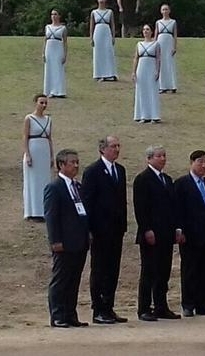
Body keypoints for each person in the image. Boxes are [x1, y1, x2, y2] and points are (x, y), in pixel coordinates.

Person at [80, 135, 128, 324]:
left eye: (118, 145)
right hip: (100, 230)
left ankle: (109, 306)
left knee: (113, 269)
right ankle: (98, 309)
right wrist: (89, 229)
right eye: (113, 146)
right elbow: (87, 201)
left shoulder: (120, 170)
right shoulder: (93, 171)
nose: (117, 149)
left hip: (116, 229)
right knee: (99, 269)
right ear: (103, 149)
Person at [132, 146, 181, 322]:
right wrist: (146, 229)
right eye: (158, 156)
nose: (162, 159)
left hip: (166, 233)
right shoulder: (142, 179)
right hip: (151, 233)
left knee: (163, 271)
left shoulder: (167, 179)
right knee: (149, 271)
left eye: (164, 155)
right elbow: (140, 207)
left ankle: (161, 306)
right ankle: (144, 308)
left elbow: (173, 206)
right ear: (149, 158)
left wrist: (177, 228)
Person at [44, 149, 89, 328]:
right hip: (64, 242)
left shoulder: (78, 187)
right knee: (61, 279)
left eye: (77, 162)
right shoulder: (54, 187)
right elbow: (51, 216)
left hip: (79, 241)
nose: (76, 166)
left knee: (74, 280)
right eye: (72, 162)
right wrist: (55, 240)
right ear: (61, 165)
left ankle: (70, 314)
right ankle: (57, 315)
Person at [174, 150, 205, 317]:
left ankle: (203, 305)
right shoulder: (182, 183)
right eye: (200, 161)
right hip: (190, 234)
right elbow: (178, 209)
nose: (204, 165)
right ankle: (188, 304)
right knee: (190, 270)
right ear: (192, 162)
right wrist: (179, 230)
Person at [23, 94, 54, 221]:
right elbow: (25, 137)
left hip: (44, 151)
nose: (44, 105)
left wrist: (51, 156)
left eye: (45, 103)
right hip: (33, 150)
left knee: (44, 181)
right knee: (33, 181)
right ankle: (33, 211)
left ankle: (43, 210)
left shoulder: (48, 120)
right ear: (35, 103)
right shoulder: (29, 118)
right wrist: (27, 154)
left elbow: (50, 138)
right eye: (41, 102)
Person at [131, 24, 161, 123]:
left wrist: (157, 70)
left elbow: (158, 58)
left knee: (152, 91)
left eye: (147, 29)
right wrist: (134, 72)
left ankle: (154, 116)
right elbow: (136, 58)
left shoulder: (156, 44)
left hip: (151, 69)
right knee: (141, 91)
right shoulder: (139, 44)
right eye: (144, 29)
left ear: (151, 32)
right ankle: (143, 115)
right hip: (141, 70)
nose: (145, 31)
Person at [89, 0, 118, 81]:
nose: (101, 1)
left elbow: (112, 25)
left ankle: (110, 74)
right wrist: (91, 38)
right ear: (97, 1)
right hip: (97, 32)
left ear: (105, 1)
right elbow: (91, 26)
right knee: (98, 53)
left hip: (106, 32)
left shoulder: (109, 12)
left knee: (108, 52)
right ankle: (98, 74)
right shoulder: (94, 12)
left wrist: (113, 36)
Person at [43, 10, 68, 98]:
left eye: (55, 14)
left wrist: (65, 55)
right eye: (52, 14)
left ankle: (59, 91)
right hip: (49, 49)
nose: (53, 16)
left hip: (58, 49)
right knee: (49, 69)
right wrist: (43, 52)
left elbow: (65, 42)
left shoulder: (63, 28)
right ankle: (49, 90)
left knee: (58, 69)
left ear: (59, 16)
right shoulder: (47, 27)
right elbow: (45, 39)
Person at [155, 4, 178, 93]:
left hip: (169, 42)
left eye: (166, 9)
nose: (165, 11)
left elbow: (175, 35)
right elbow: (156, 34)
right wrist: (154, 46)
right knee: (161, 63)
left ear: (169, 11)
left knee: (170, 63)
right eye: (163, 9)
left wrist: (174, 47)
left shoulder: (173, 22)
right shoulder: (158, 22)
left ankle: (172, 85)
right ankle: (162, 86)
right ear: (161, 11)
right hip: (160, 42)